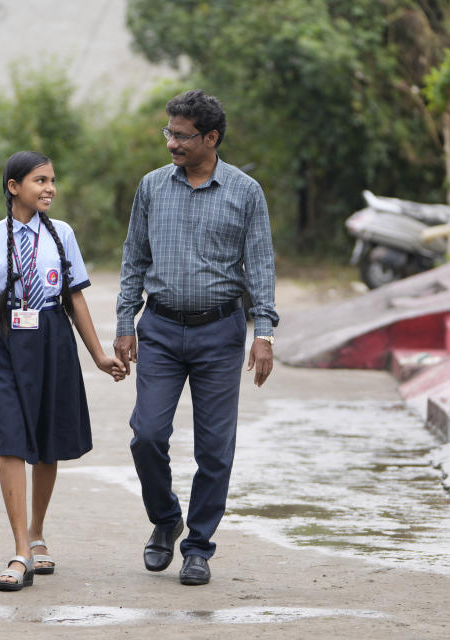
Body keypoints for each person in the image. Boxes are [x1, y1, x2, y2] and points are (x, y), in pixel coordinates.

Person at [114, 89, 279, 586]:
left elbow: (261, 267)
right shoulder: (151, 187)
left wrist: (264, 332)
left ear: (211, 138)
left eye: (182, 136)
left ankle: (198, 546)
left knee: (214, 448)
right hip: (160, 329)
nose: (171, 144)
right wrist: (125, 321)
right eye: (169, 132)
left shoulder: (245, 191)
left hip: (220, 333)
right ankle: (166, 520)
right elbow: (132, 260)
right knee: (146, 435)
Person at [0, 150, 127, 592]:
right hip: (3, 341)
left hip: (52, 338)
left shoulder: (63, 235)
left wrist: (97, 355)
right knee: (9, 438)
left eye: (52, 180)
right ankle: (19, 551)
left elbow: (75, 298)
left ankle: (37, 532)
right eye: (39, 180)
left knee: (47, 440)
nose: (49, 188)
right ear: (14, 187)